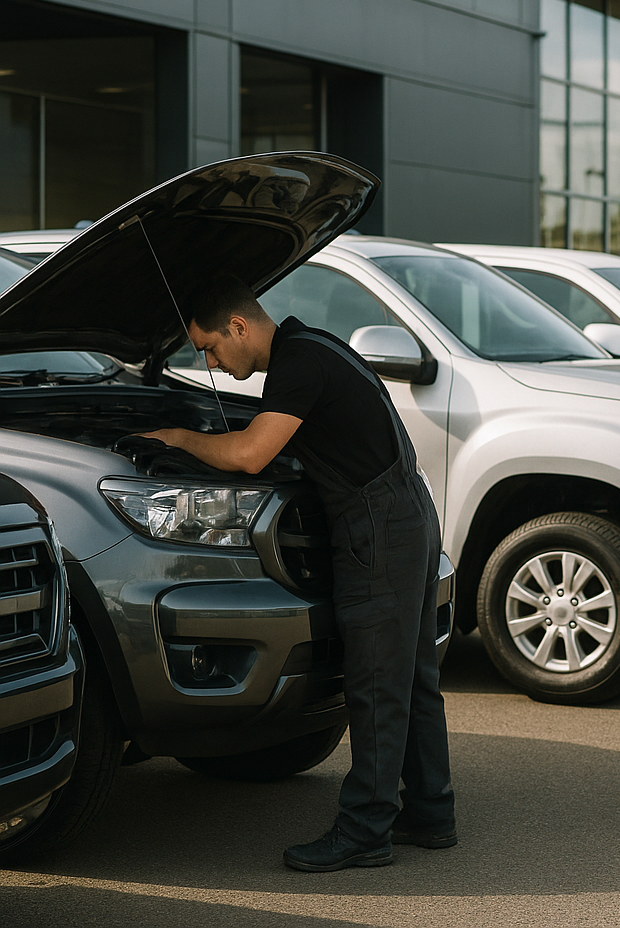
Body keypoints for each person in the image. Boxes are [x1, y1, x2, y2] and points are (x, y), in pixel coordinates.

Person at [139, 274, 456, 867]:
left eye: (208, 347)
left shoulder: (298, 365)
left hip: (376, 526)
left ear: (238, 326)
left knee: (375, 684)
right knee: (410, 678)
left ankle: (365, 832)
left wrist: (180, 438)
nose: (207, 360)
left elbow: (250, 455)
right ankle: (430, 812)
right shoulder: (315, 346)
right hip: (406, 511)